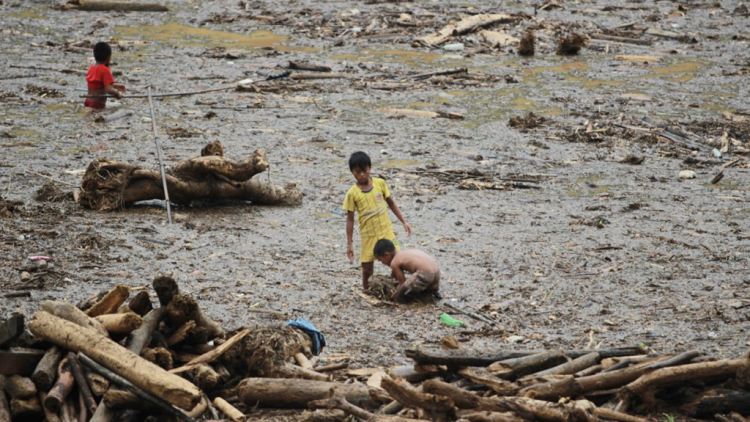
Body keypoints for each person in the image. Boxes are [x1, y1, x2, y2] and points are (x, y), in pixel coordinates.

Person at [344, 151, 412, 289]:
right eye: (358, 172)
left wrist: (404, 221)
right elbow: (350, 220)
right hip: (368, 236)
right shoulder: (352, 193)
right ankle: (367, 291)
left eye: (365, 170)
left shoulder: (380, 184)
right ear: (352, 172)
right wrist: (349, 244)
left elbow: (391, 203)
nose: (362, 175)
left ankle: (398, 287)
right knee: (367, 269)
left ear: (370, 168)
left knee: (397, 262)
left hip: (386, 232)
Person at [373, 239, 442, 302]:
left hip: (425, 275)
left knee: (400, 295)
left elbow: (402, 282)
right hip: (437, 273)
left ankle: (407, 303)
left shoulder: (394, 263)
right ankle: (435, 291)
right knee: (425, 290)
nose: (382, 263)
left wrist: (395, 295)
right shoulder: (403, 253)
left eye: (380, 260)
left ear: (387, 255)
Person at [84, 42, 126, 110]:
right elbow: (108, 89)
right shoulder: (105, 70)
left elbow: (98, 84)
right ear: (108, 58)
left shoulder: (91, 68)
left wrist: (115, 85)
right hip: (97, 104)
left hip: (88, 102)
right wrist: (117, 93)